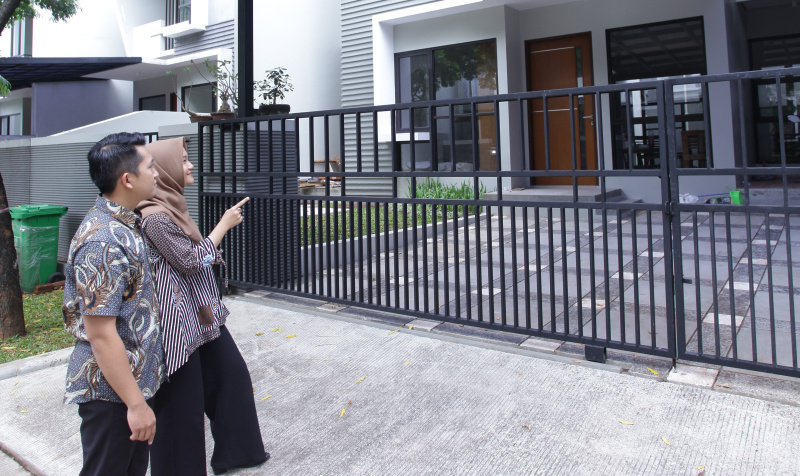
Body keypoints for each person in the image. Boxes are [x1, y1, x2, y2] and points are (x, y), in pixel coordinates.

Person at [137, 137, 268, 476]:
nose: (190, 165)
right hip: (178, 322)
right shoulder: (155, 217)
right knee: (183, 405)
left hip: (200, 313)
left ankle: (238, 453)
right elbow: (189, 261)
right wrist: (223, 225)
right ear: (165, 169)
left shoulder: (172, 206)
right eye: (182, 160)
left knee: (231, 376)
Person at [62, 132, 165, 476]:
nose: (157, 173)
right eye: (151, 167)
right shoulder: (103, 240)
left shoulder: (125, 224)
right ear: (128, 179)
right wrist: (135, 405)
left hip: (129, 386)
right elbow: (101, 334)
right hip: (112, 395)